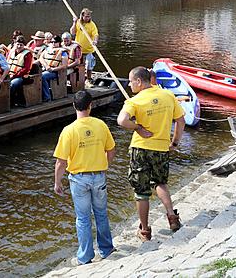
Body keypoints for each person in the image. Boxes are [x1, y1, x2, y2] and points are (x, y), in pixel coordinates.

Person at [117, 66, 184, 242]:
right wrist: (175, 142)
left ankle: (145, 230)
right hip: (161, 147)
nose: (129, 85)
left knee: (141, 191)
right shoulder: (168, 95)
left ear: (139, 81)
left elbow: (121, 120)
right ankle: (171, 216)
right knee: (160, 182)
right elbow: (180, 120)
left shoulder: (135, 101)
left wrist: (138, 127)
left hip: (140, 148)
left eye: (131, 81)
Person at [54, 90, 116, 266]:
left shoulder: (69, 131)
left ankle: (85, 256)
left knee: (82, 218)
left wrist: (57, 182)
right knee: (101, 214)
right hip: (99, 176)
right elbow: (111, 150)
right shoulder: (101, 125)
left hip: (79, 179)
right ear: (91, 106)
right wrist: (105, 166)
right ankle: (106, 249)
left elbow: (61, 162)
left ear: (74, 106)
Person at [70, 8, 99, 83]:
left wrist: (95, 41)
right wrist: (74, 22)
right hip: (78, 49)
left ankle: (88, 79)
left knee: (89, 65)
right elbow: (72, 33)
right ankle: (77, 79)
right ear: (82, 16)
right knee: (77, 65)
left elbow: (95, 34)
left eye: (89, 16)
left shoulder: (92, 24)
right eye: (86, 16)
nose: (88, 18)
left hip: (89, 50)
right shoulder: (78, 22)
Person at [39, 35, 69, 102]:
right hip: (46, 69)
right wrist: (46, 66)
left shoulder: (63, 52)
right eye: (52, 42)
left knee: (43, 76)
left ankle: (47, 97)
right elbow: (41, 58)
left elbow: (64, 65)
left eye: (55, 42)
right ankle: (38, 96)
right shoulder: (47, 49)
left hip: (56, 72)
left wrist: (53, 69)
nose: (53, 43)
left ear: (59, 43)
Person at [7, 36, 34, 106]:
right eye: (17, 44)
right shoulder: (11, 52)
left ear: (24, 46)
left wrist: (15, 75)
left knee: (13, 83)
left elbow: (26, 69)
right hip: (9, 75)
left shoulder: (27, 54)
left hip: (22, 77)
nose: (19, 46)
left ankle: (11, 102)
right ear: (14, 44)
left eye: (21, 45)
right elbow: (6, 64)